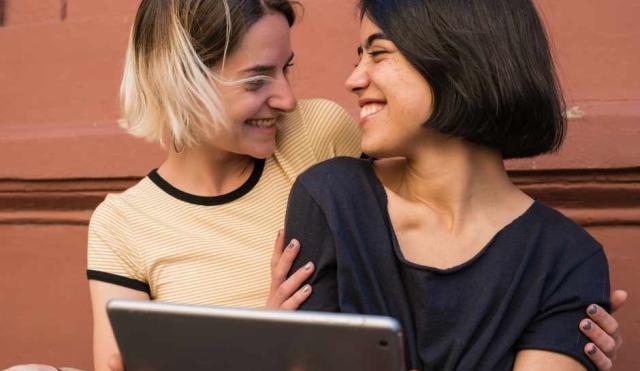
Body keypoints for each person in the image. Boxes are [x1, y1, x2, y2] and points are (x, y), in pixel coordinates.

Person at [9, 1, 624, 371]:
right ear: (182, 82)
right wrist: (274, 344)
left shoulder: (318, 137)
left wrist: (558, 290)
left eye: (288, 69)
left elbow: (450, 197)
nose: (287, 97)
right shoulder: (124, 224)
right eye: (256, 79)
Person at [284, 0, 626, 370]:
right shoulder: (332, 200)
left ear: (459, 60)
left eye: (379, 54)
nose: (354, 80)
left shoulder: (566, 257)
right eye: (359, 58)